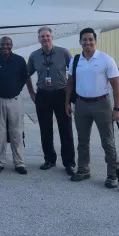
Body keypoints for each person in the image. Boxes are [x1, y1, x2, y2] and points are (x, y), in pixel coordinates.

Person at [65, 28, 119, 189]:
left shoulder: (106, 59)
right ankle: (83, 169)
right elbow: (70, 84)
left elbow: (116, 86)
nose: (87, 42)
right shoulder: (75, 60)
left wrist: (117, 108)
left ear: (95, 41)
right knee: (82, 140)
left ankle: (112, 173)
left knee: (108, 141)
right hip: (81, 104)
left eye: (90, 39)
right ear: (80, 41)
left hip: (101, 104)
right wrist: (67, 103)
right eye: (84, 39)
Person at [27, 27, 76, 176]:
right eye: (42, 36)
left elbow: (73, 74)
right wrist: (31, 92)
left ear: (51, 37)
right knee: (45, 129)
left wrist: (69, 97)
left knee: (65, 129)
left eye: (47, 36)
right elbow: (26, 74)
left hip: (61, 94)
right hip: (43, 95)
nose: (45, 39)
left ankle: (69, 162)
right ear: (38, 39)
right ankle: (49, 159)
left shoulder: (63, 53)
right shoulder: (34, 56)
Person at [0, 36, 28, 175]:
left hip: (15, 100)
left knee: (17, 132)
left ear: (11, 45)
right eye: (2, 44)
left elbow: (24, 78)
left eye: (8, 44)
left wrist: (15, 89)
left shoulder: (19, 60)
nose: (5, 46)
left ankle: (19, 163)